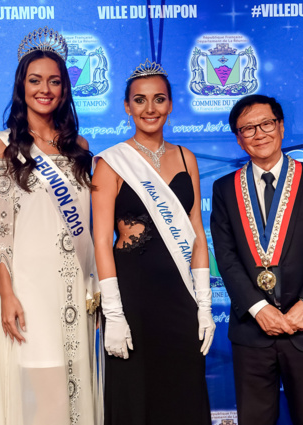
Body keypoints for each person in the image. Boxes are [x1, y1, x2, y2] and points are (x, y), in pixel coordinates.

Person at [0, 27, 99, 425]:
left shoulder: (80, 147)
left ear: (64, 89)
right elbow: (1, 230)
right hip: (29, 287)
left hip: (73, 285)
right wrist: (6, 294)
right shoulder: (1, 144)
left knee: (72, 389)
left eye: (54, 81)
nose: (45, 89)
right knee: (41, 394)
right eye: (35, 80)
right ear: (21, 86)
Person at [92, 59, 214, 425]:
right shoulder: (111, 162)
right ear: (127, 107)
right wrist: (113, 314)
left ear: (171, 104)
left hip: (180, 297)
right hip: (133, 296)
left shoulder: (185, 157)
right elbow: (101, 241)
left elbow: (196, 233)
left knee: (181, 392)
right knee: (136, 394)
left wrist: (204, 304)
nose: (150, 108)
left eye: (159, 99)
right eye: (140, 100)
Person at [210, 94, 303, 425]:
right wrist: (259, 308)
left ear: (281, 127)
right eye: (248, 128)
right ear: (239, 139)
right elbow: (226, 258)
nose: (259, 133)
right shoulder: (225, 189)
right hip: (252, 331)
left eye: (266, 123)